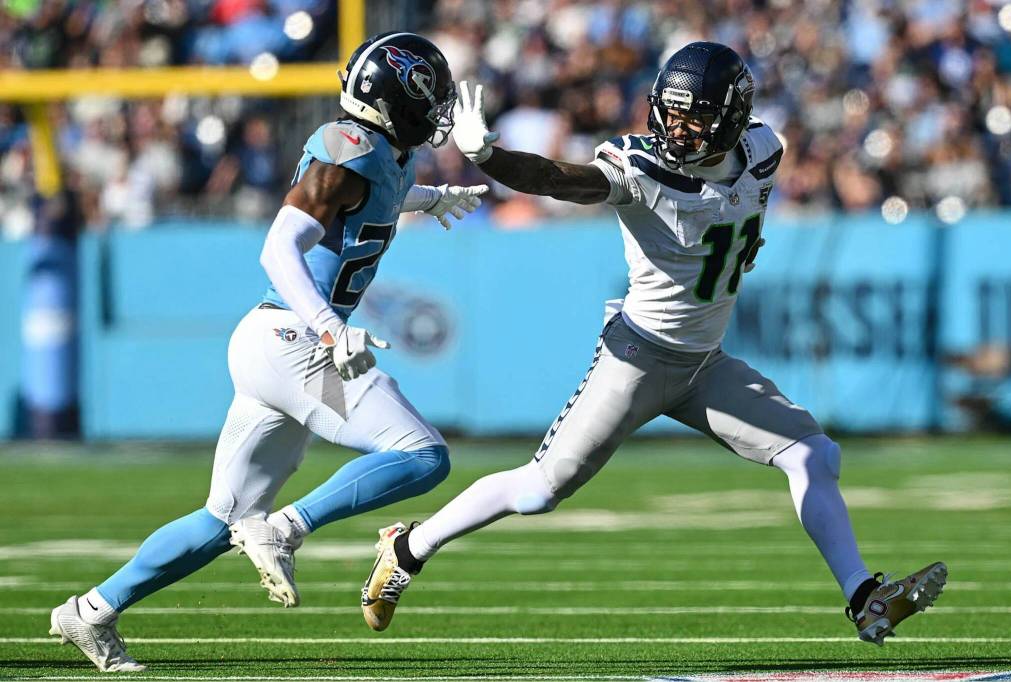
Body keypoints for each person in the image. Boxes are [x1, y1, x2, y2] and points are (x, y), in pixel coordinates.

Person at [360, 42, 946, 646]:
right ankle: (407, 548)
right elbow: (561, 180)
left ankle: (864, 598)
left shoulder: (763, 152)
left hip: (705, 365)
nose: (677, 128)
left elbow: (733, 215)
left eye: (695, 116)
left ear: (733, 117)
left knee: (814, 456)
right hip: (636, 358)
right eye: (670, 112)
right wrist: (489, 156)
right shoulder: (642, 169)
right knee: (538, 490)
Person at [48, 31, 488, 672]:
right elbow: (279, 247)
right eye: (432, 96)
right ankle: (286, 528)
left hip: (274, 343)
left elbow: (367, 200)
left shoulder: (382, 155)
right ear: (398, 101)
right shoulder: (345, 149)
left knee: (222, 518)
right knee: (421, 455)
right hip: (295, 339)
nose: (441, 109)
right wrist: (329, 329)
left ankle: (90, 612)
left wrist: (430, 199)